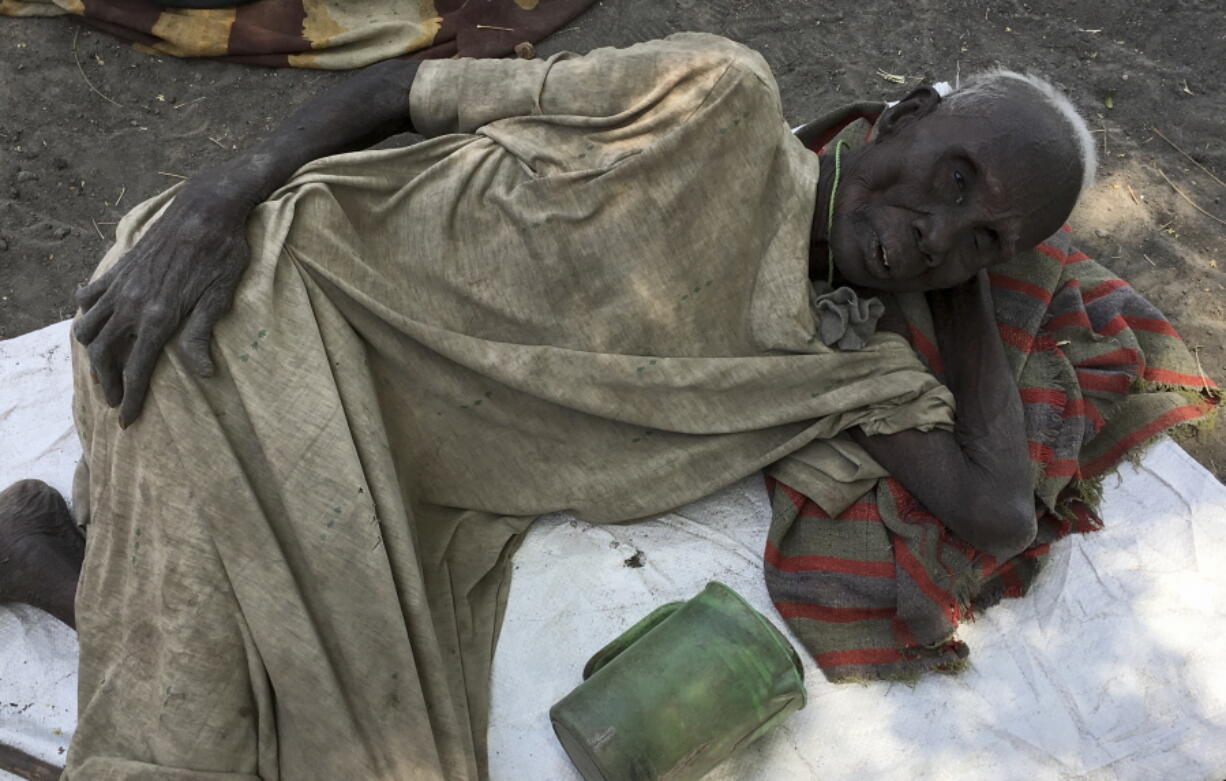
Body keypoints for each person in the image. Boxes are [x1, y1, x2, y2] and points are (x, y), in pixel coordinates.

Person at [0, 33, 1093, 778]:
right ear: (899, 116)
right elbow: (404, 88)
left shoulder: (839, 366)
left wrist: (961, 282)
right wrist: (218, 196)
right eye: (951, 180)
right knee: (180, 750)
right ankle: (53, 564)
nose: (940, 230)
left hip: (366, 455)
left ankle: (47, 561)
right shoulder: (714, 97)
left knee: (377, 755)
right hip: (245, 302)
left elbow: (993, 508)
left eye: (984, 239)